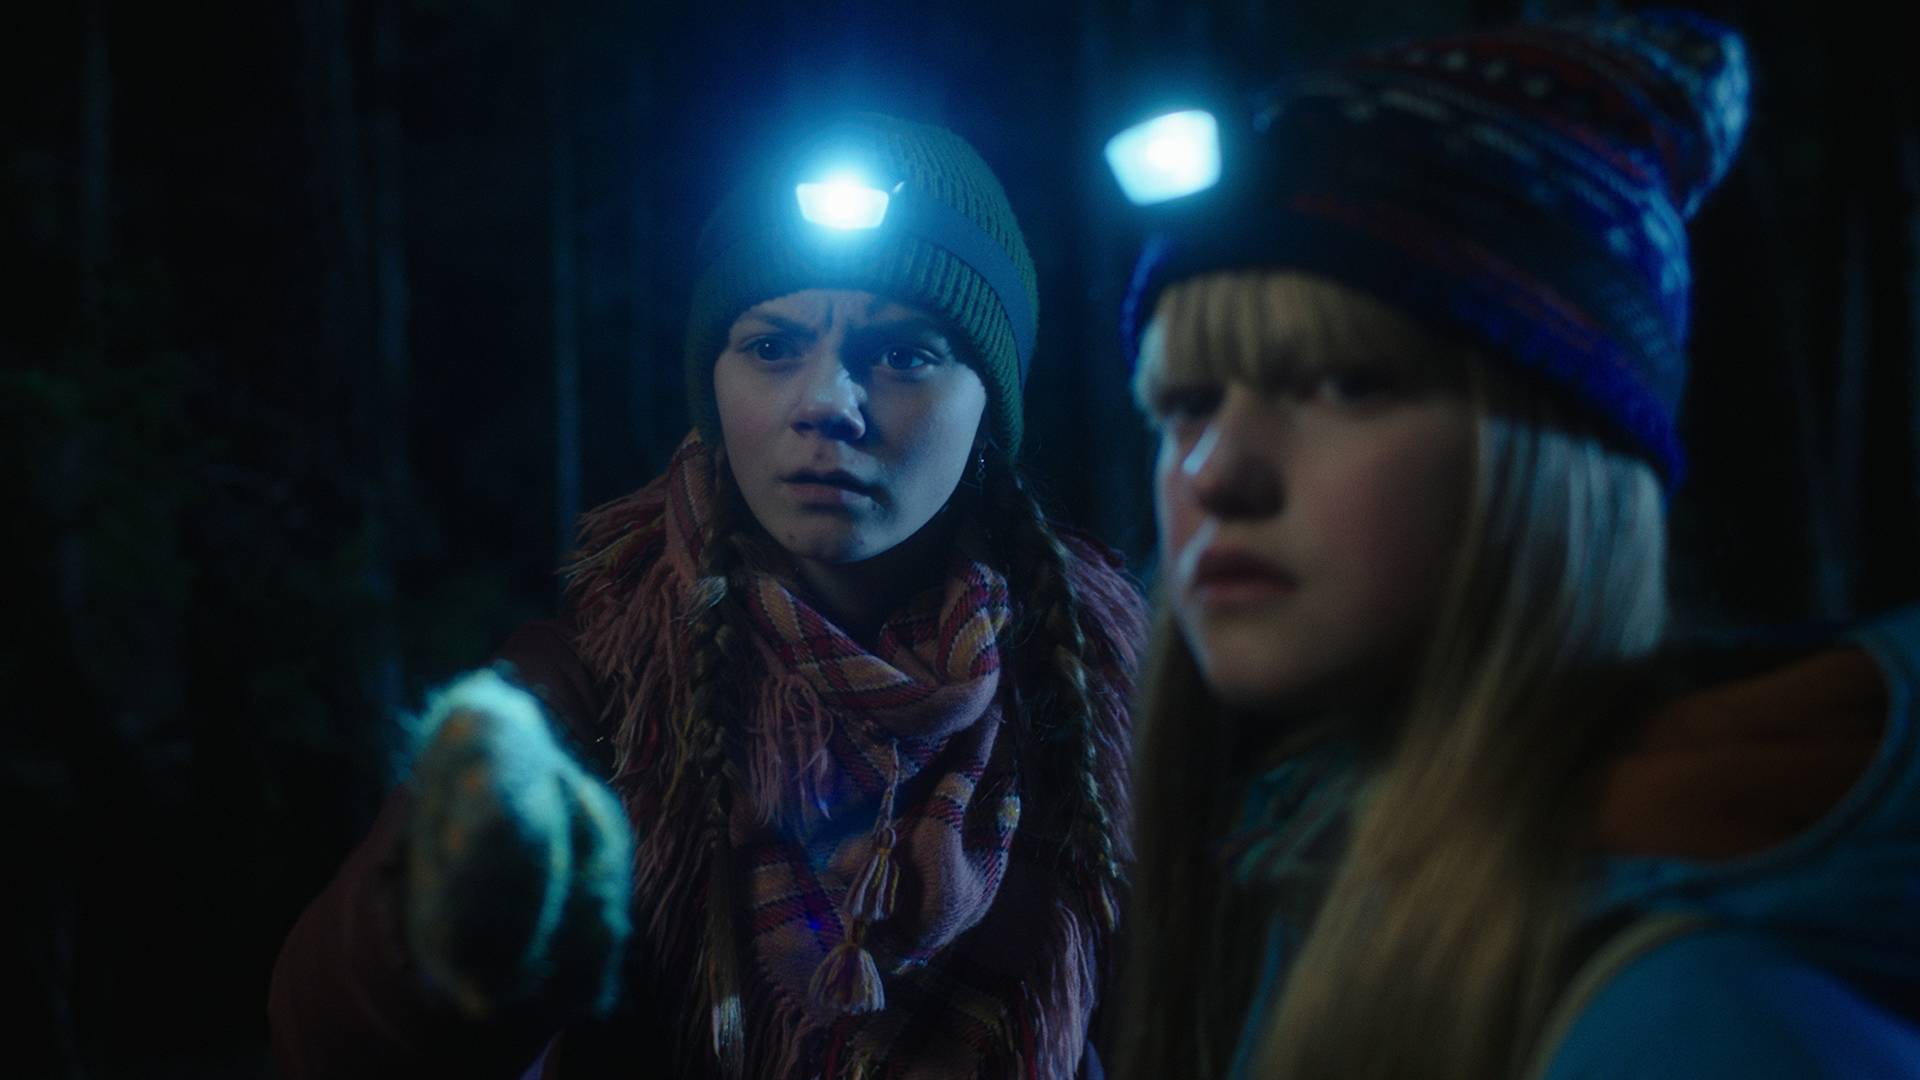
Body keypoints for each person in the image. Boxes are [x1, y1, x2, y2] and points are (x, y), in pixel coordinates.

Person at [1105, 10, 1920, 1080]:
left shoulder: (1698, 1025)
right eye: (1186, 404)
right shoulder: (1290, 870)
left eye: (1346, 383)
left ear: (1563, 453)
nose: (1215, 472)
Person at [271, 113, 1146, 1079]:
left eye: (905, 355)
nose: (827, 403)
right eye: (773, 347)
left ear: (989, 406)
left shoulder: (1102, 704)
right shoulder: (591, 693)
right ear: (714, 387)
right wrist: (434, 921)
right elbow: (331, 1049)